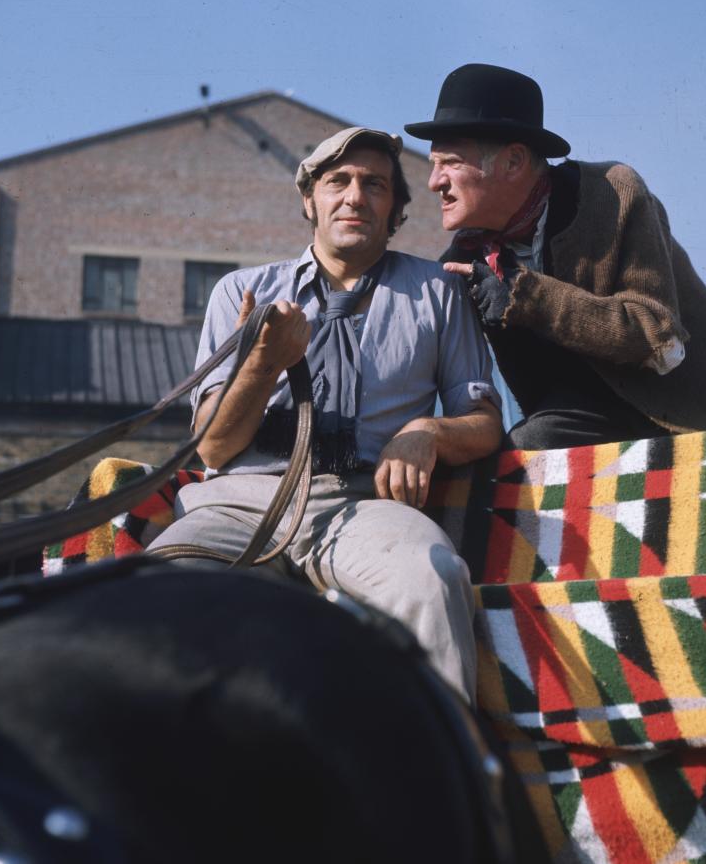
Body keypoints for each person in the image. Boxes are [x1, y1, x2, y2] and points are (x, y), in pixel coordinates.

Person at [148, 126, 503, 704]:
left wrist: (427, 431)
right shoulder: (242, 291)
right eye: (337, 181)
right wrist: (263, 364)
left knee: (431, 577)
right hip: (242, 502)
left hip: (362, 505)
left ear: (395, 211)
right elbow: (212, 450)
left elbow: (484, 421)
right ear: (308, 200)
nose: (355, 197)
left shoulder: (439, 293)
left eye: (375, 185)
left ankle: (432, 778)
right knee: (163, 589)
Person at [405, 63, 706, 449]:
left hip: (696, 416)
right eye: (433, 165)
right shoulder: (465, 257)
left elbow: (658, 340)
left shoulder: (611, 195)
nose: (434, 183)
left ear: (513, 162)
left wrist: (525, 295)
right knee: (512, 461)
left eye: (450, 164)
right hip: (580, 415)